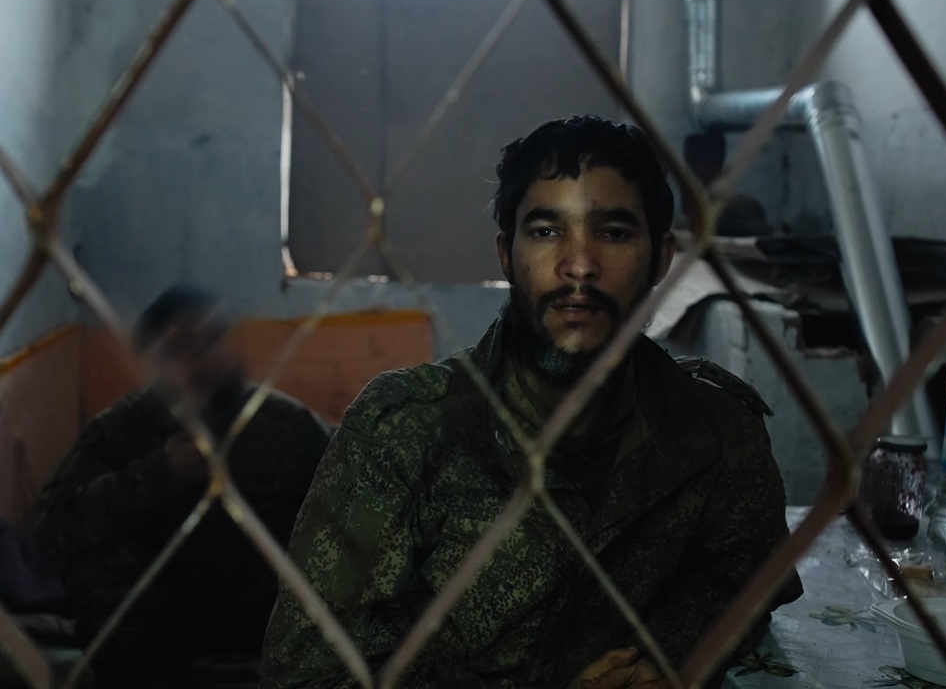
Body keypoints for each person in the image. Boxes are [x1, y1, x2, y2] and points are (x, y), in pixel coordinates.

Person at [261, 116, 803, 688]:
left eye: (614, 232)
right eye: (546, 231)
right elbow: (307, 677)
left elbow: (751, 573)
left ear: (662, 258)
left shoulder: (717, 429)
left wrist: (667, 653)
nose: (580, 265)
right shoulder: (405, 433)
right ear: (506, 254)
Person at [31, 285, 332, 688]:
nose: (199, 359)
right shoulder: (122, 430)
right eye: (177, 348)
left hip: (264, 607)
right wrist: (161, 473)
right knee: (96, 560)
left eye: (211, 340)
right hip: (155, 616)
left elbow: (365, 496)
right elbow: (48, 528)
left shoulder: (287, 426)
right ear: (149, 360)